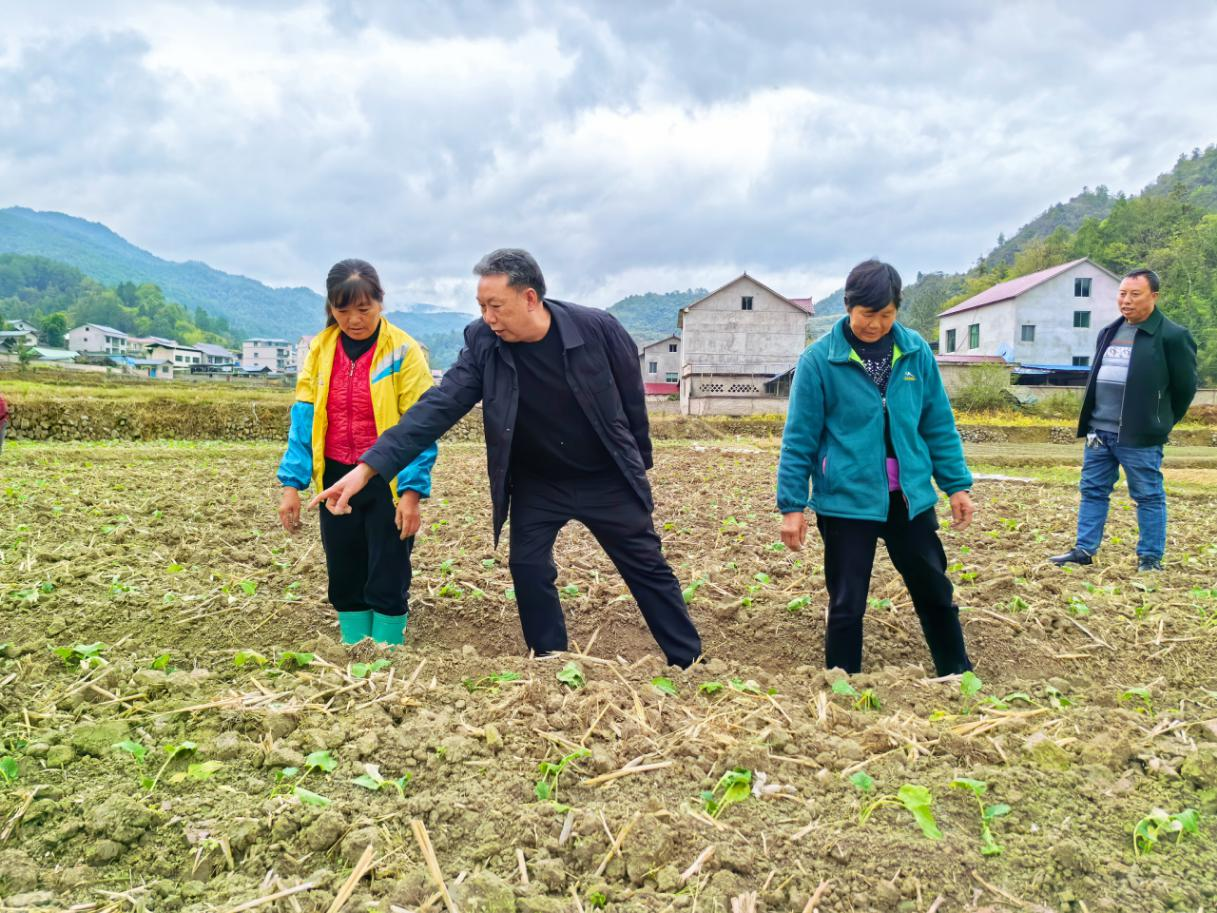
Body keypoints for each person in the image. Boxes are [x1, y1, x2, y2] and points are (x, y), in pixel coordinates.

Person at [310, 248, 701, 668]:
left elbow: (631, 404)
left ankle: (688, 660)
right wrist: (369, 468)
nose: (488, 318)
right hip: (537, 480)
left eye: (495, 306)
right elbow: (436, 407)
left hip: (604, 476)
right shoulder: (483, 343)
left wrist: (635, 469)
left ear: (530, 298)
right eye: (481, 307)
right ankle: (550, 662)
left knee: (646, 566)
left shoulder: (597, 329)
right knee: (528, 567)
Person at [776, 259, 975, 676]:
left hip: (910, 498)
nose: (876, 325)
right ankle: (842, 682)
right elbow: (800, 439)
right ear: (849, 306)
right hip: (847, 500)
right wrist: (792, 506)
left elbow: (937, 423)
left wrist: (956, 485)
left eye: (886, 315)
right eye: (868, 315)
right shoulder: (819, 361)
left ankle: (957, 673)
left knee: (934, 589)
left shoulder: (916, 351)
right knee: (848, 600)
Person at [277, 259, 437, 645]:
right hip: (334, 477)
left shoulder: (403, 351)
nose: (353, 320)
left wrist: (411, 494)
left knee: (389, 570)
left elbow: (420, 426)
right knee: (344, 568)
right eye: (342, 310)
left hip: (386, 478)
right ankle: (354, 650)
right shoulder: (320, 349)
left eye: (363, 309)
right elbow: (304, 417)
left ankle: (386, 654)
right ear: (331, 308)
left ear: (380, 302)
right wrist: (291, 486)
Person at [1051, 268, 1198, 572]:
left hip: (1139, 435)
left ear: (1153, 297)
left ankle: (1150, 558)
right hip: (1099, 431)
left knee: (1147, 494)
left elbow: (1185, 389)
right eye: (1122, 294)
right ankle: (1084, 549)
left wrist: (1160, 422)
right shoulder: (1109, 331)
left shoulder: (1172, 336)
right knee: (1092, 489)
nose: (1126, 301)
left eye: (1135, 294)